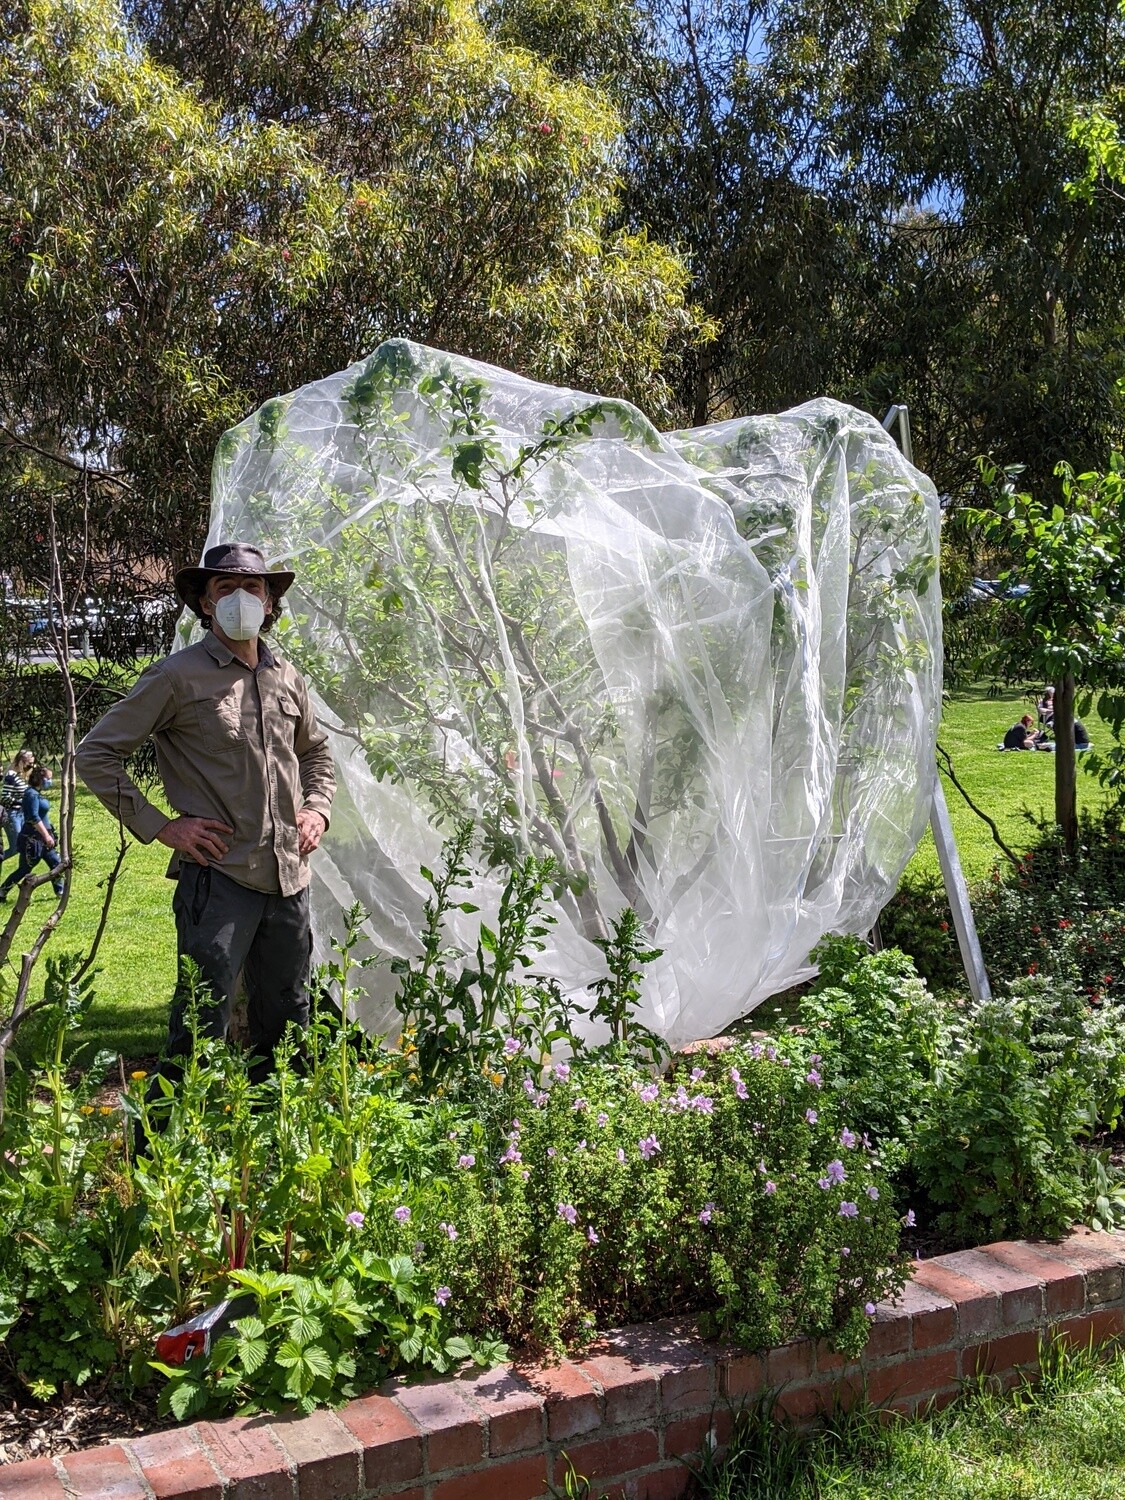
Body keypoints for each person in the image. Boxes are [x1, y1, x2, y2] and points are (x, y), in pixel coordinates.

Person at [75, 542, 336, 1073]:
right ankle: (167, 1145)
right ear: (205, 604)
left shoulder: (286, 675)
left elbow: (315, 752)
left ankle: (270, 1141)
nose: (241, 598)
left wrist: (317, 808)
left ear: (269, 602)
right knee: (201, 1020)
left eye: (252, 588)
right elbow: (96, 755)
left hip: (289, 875)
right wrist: (162, 826)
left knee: (289, 1018)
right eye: (225, 589)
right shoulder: (177, 676)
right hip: (218, 878)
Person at [0, 764, 65, 899]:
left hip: (43, 836)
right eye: (49, 778)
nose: (50, 781)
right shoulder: (31, 794)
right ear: (40, 778)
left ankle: (60, 892)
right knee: (25, 868)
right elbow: (33, 817)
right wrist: (46, 835)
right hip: (33, 838)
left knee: (56, 863)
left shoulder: (36, 793)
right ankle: (3, 890)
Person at [1, 747, 35, 859]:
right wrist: (22, 802)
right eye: (29, 763)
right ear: (21, 762)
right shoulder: (11, 775)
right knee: (16, 847)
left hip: (21, 814)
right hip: (12, 814)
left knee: (22, 845)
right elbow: (5, 797)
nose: (32, 766)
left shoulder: (23, 776)